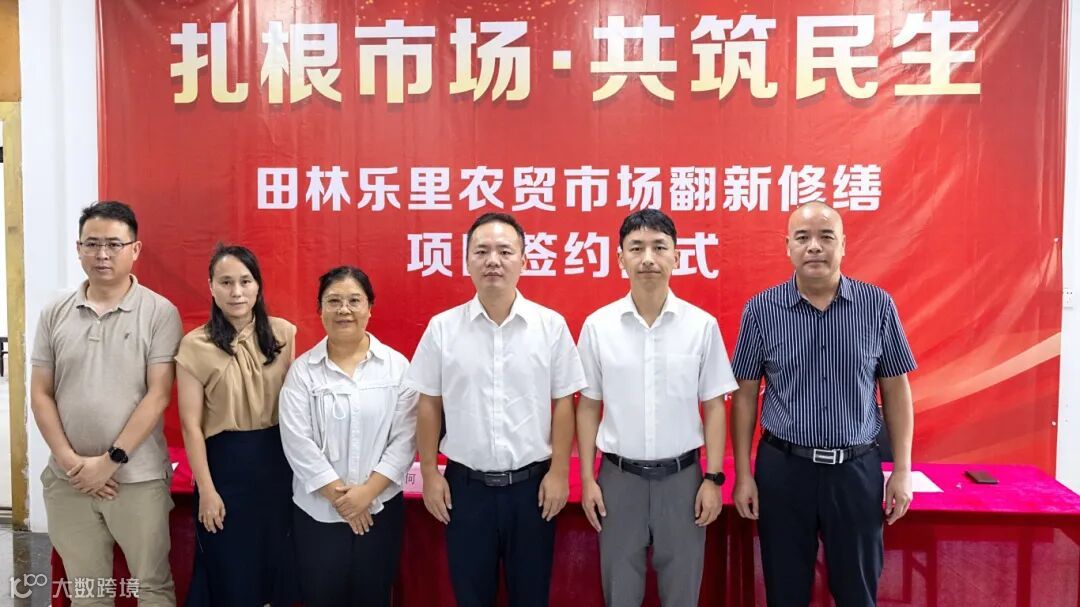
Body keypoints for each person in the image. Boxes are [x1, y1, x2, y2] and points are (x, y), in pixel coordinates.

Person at [730, 201, 917, 607]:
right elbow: (744, 396)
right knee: (785, 591)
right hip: (783, 470)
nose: (814, 246)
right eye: (803, 238)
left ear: (843, 245)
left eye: (826, 237)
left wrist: (902, 471)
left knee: (857, 592)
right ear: (788, 247)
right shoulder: (761, 310)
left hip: (855, 471)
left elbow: (896, 389)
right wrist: (743, 474)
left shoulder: (877, 306)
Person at [406, 212, 588, 607]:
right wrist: (430, 474)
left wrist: (559, 472)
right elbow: (429, 403)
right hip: (465, 490)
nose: (493, 260)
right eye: (482, 251)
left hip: (533, 489)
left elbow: (564, 402)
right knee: (471, 597)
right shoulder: (443, 328)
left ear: (524, 260)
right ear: (466, 260)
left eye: (505, 251)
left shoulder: (550, 326)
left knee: (531, 596)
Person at [576, 209, 739, 606]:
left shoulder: (701, 326)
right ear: (620, 259)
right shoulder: (598, 326)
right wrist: (587, 480)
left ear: (676, 257)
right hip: (618, 480)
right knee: (620, 595)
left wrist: (712, 480)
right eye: (636, 248)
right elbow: (588, 407)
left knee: (682, 595)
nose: (647, 258)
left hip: (683, 482)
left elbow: (714, 406)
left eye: (659, 247)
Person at [30, 200, 182, 606]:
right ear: (78, 248)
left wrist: (110, 461)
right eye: (92, 244)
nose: (102, 254)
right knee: (87, 592)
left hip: (137, 479)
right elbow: (41, 392)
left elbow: (158, 394)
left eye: (114, 244)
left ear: (135, 249)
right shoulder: (54, 313)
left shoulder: (159, 312)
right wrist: (71, 463)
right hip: (70, 481)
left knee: (151, 587)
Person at [279, 266, 418, 607]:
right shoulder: (302, 372)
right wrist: (344, 501)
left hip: (380, 509)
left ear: (370, 308)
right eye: (334, 301)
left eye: (354, 301)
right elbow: (298, 442)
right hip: (318, 514)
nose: (344, 310)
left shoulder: (397, 367)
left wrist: (366, 494)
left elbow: (406, 438)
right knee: (320, 597)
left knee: (374, 596)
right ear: (320, 309)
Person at [175, 244, 298, 606]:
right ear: (211, 287)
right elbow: (190, 425)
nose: (237, 292)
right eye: (226, 282)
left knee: (276, 564)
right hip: (224, 468)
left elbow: (298, 409)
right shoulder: (195, 345)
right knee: (229, 568)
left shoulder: (283, 334)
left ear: (258, 285)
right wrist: (207, 490)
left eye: (245, 281)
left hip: (278, 465)